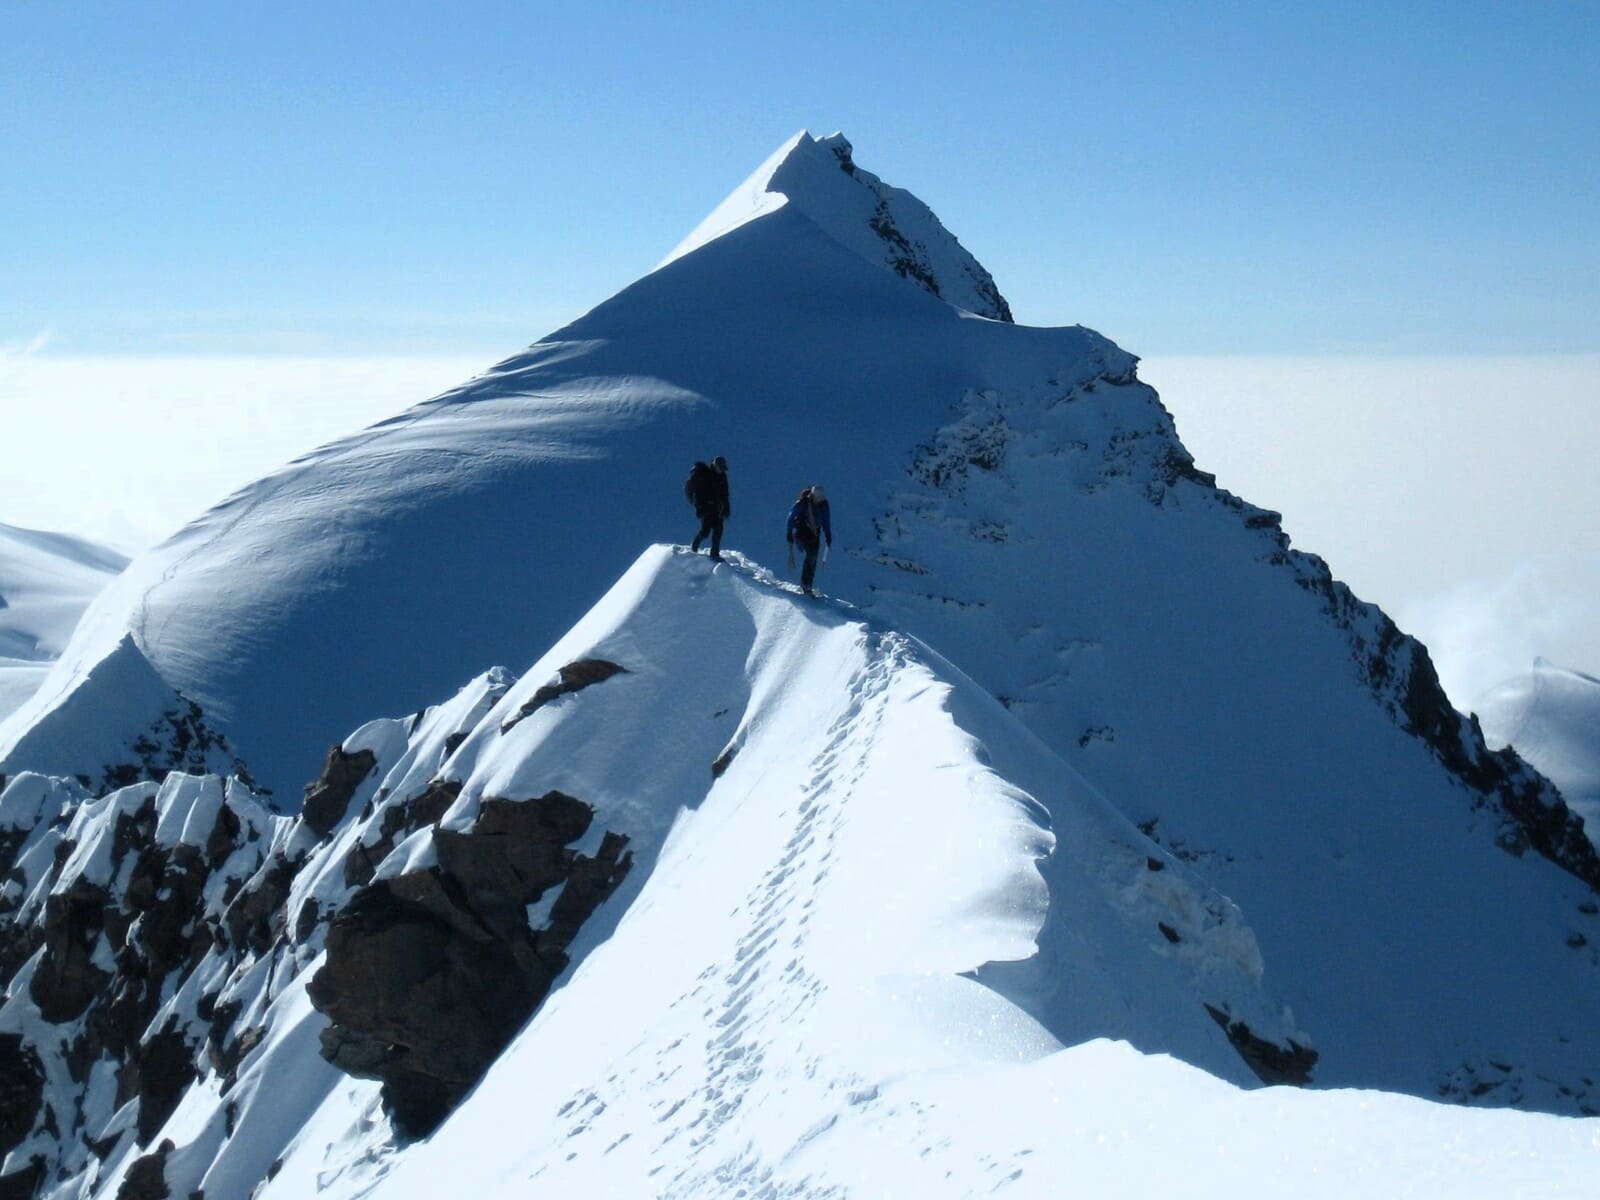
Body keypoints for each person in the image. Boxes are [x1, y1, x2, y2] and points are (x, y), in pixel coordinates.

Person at [786, 485, 832, 597]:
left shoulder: (823, 506)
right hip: (802, 531)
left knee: (813, 558)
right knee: (811, 556)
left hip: (815, 533)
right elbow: (791, 518)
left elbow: (826, 520)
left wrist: (828, 534)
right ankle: (805, 585)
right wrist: (789, 533)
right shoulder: (802, 503)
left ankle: (808, 585)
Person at [686, 455, 731, 560]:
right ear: (715, 465)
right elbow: (698, 493)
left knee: (718, 529)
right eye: (721, 468)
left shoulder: (722, 477)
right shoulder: (704, 474)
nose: (721, 471)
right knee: (705, 530)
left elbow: (725, 495)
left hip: (717, 508)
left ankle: (714, 553)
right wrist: (701, 505)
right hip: (705, 507)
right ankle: (695, 545)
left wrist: (726, 509)